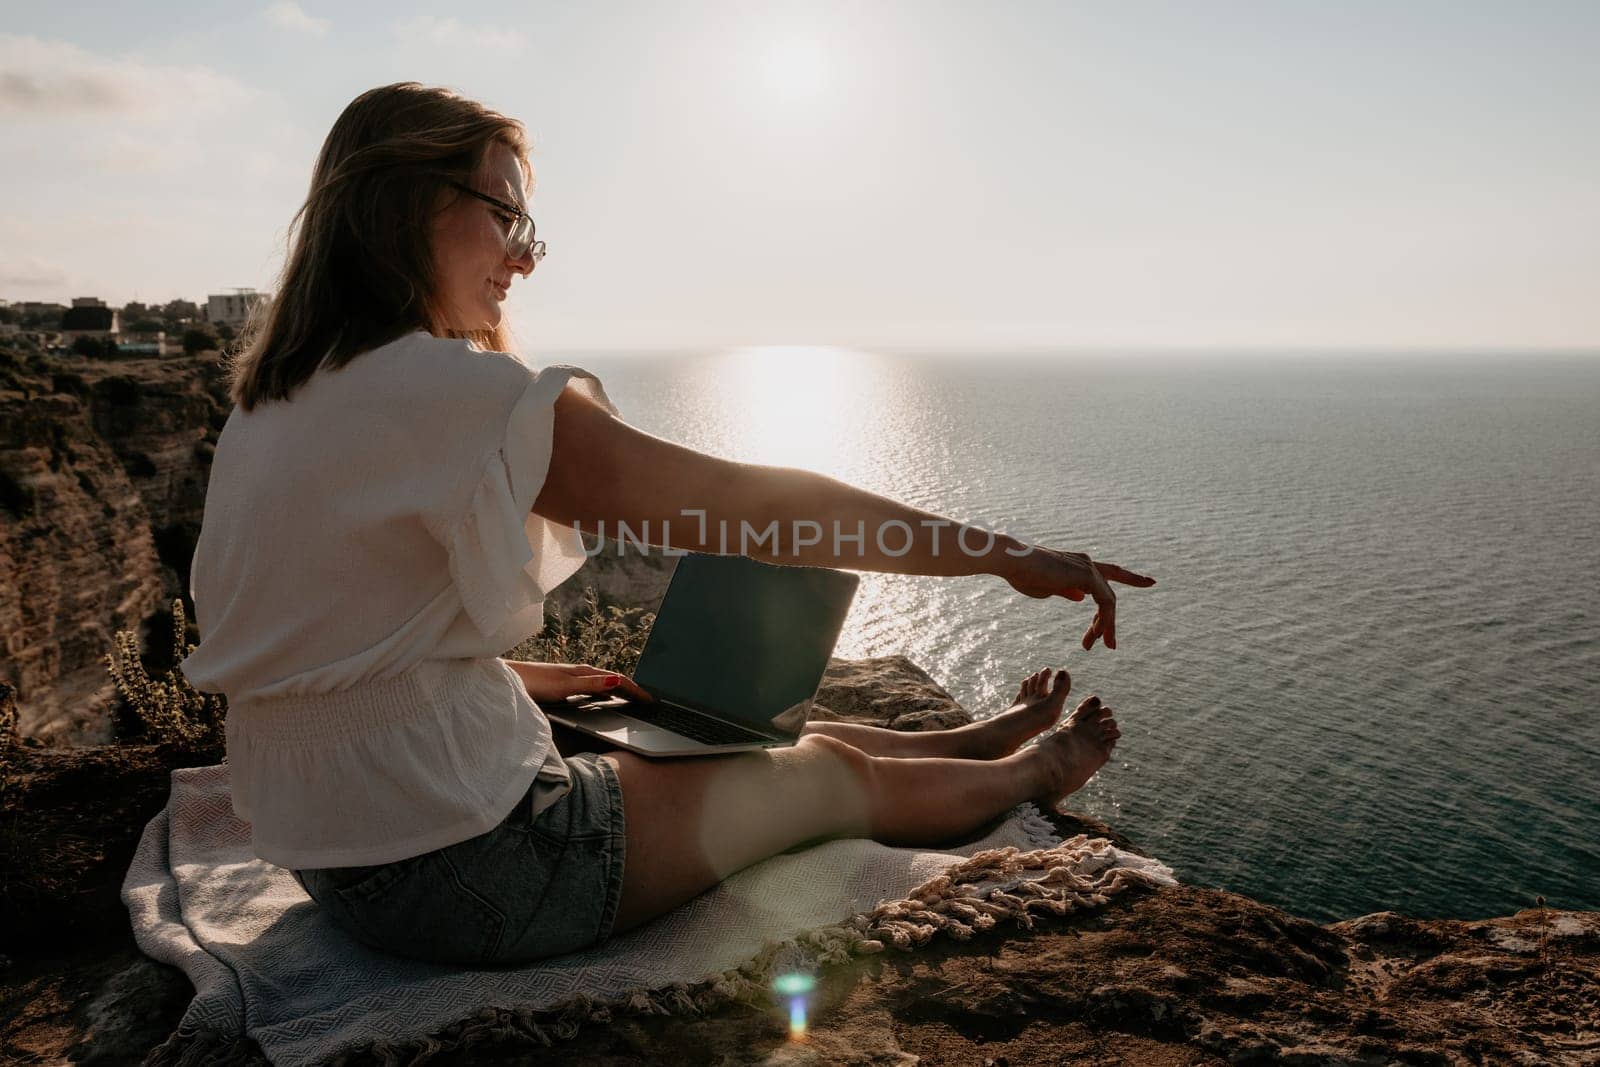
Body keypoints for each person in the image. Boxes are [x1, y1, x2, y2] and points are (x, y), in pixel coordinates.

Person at [180, 82, 1155, 967]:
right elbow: (759, 512)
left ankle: (980, 738)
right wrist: (1003, 556)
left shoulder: (276, 403)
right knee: (818, 772)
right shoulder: (443, 392)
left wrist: (510, 675)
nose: (523, 254)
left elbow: (312, 641)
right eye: (506, 212)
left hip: (339, 858)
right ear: (403, 203)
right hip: (468, 872)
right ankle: (1034, 766)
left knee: (704, 730)